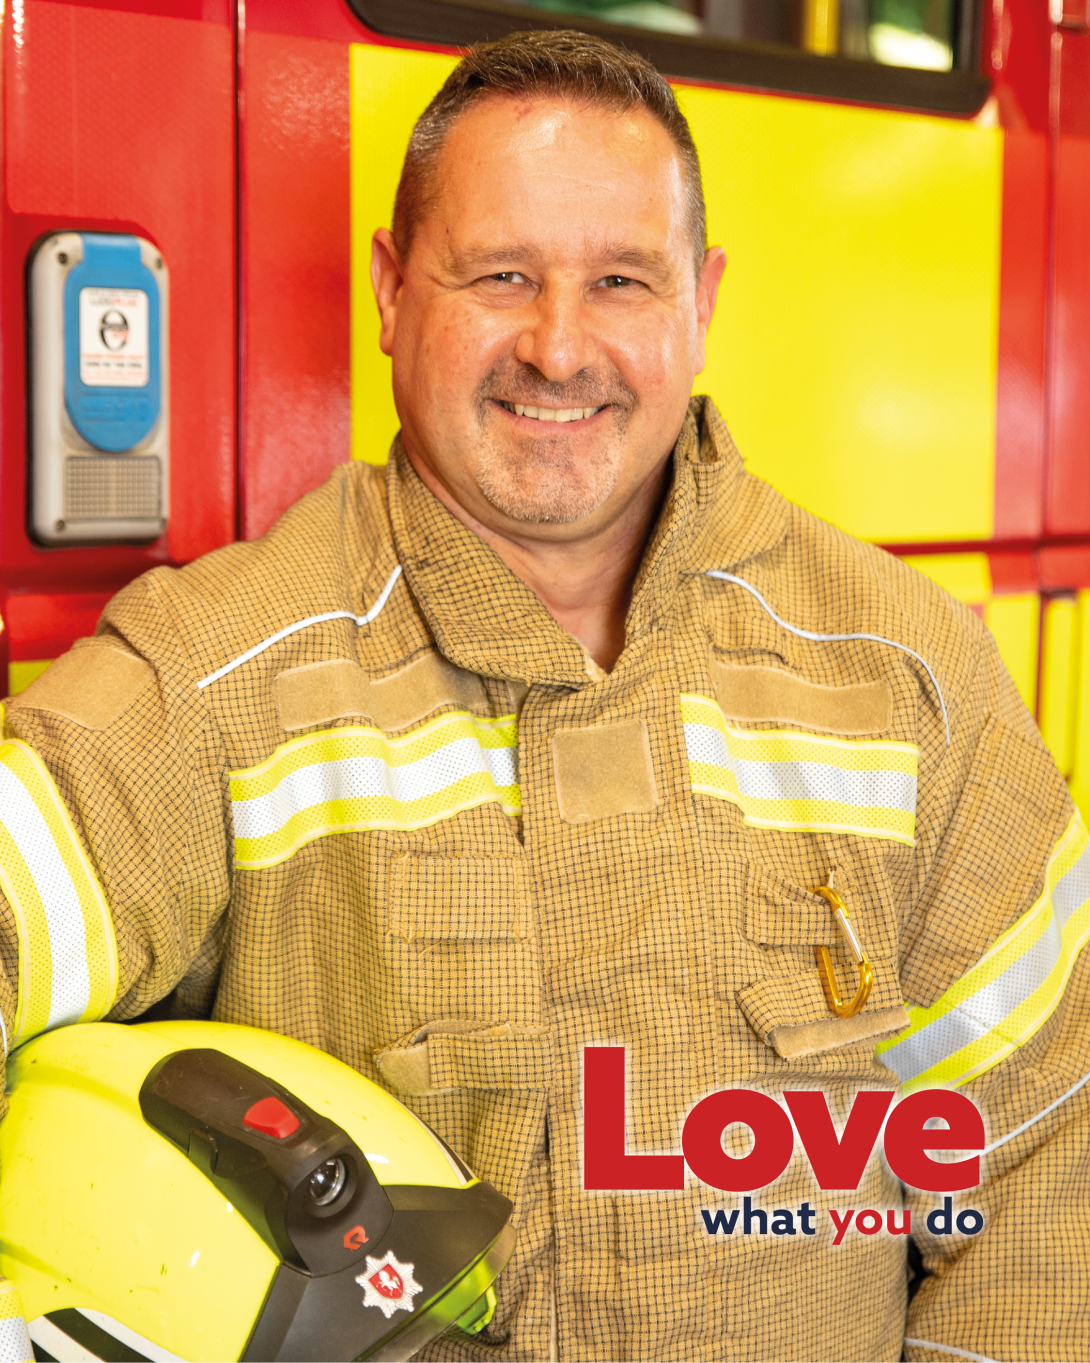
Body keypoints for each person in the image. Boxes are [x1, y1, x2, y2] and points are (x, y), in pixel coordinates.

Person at [0, 28, 1087, 1363]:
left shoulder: (906, 674)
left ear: (699, 300)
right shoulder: (224, 667)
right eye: (499, 275)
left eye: (620, 280)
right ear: (394, 293)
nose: (557, 348)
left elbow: (1049, 1168)